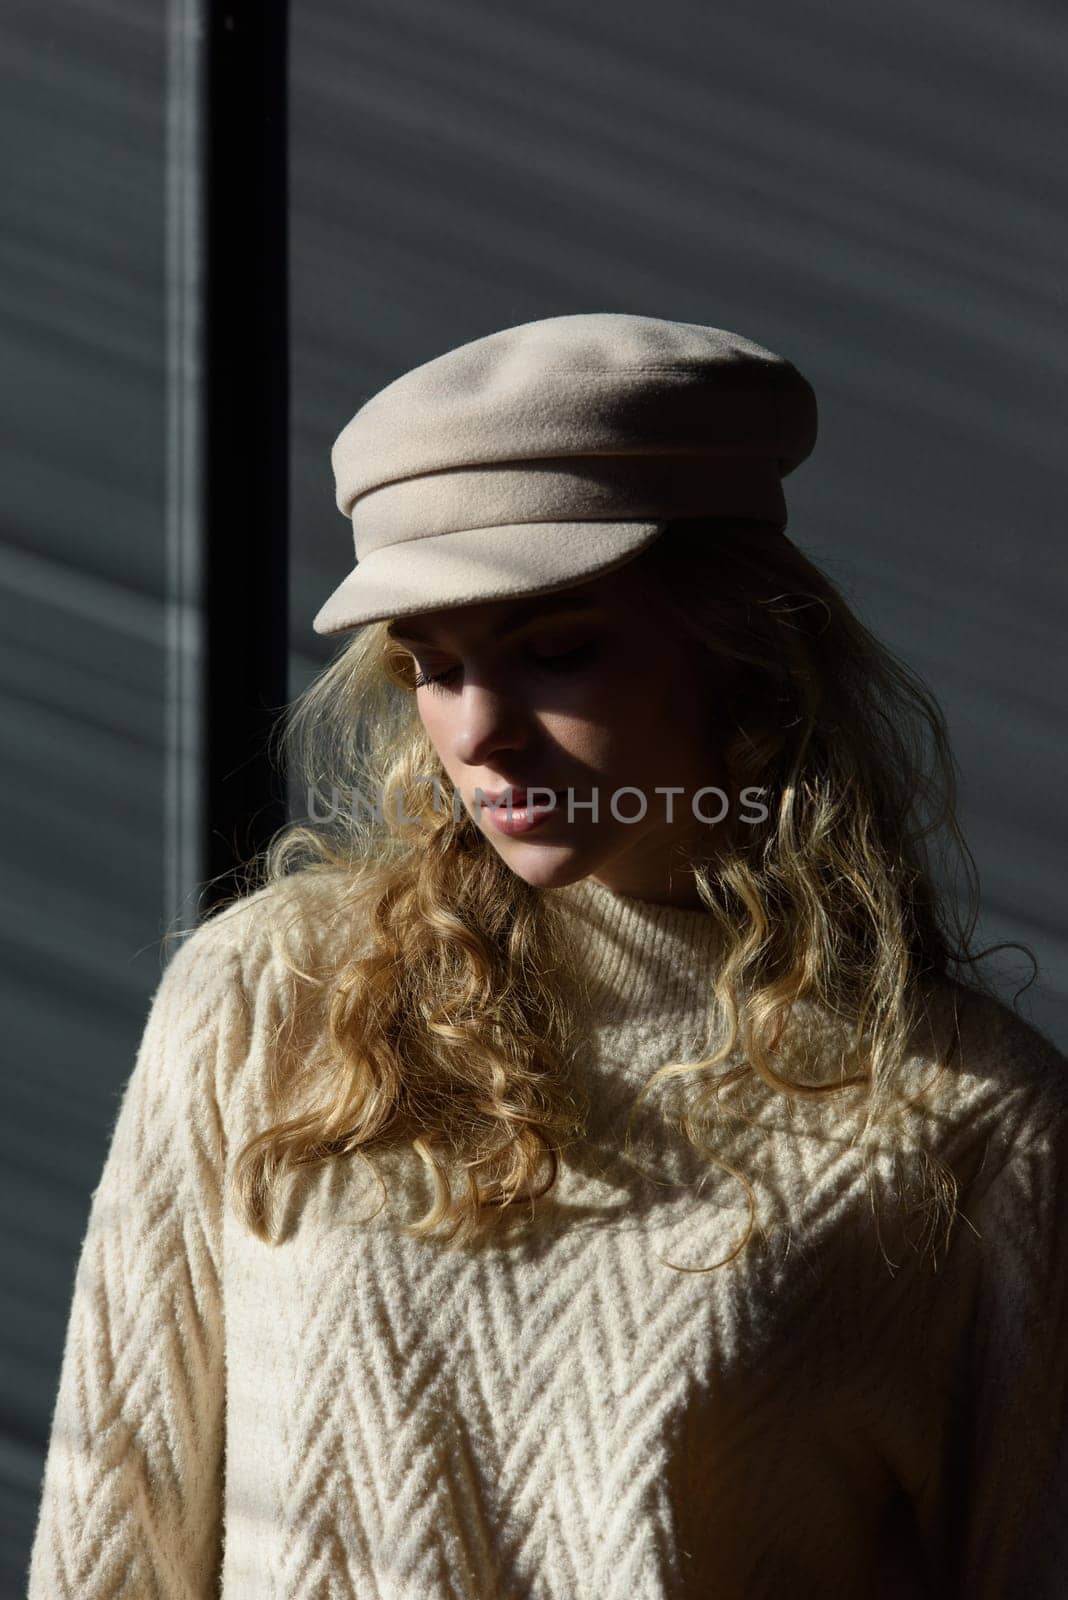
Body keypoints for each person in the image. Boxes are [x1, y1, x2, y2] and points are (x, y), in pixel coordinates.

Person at [27, 313, 1068, 1598]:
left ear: (743, 652)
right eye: (431, 664)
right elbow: (116, 1524)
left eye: (557, 650)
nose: (480, 731)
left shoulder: (975, 1116)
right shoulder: (271, 996)